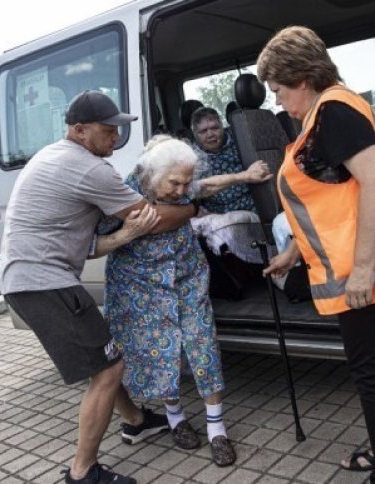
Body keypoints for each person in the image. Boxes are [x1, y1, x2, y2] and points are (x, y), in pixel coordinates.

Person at [0, 90, 202, 484]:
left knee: (105, 356)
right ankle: (82, 471)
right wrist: (193, 206)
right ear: (79, 130)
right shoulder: (88, 169)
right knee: (109, 368)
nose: (116, 138)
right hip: (45, 283)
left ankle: (137, 421)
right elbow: (154, 217)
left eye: (118, 129)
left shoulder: (52, 155)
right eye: (108, 131)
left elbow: (87, 244)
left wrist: (124, 236)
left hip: (33, 280)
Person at [258, 26, 375, 483]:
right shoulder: (328, 112)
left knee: (373, 374)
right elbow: (336, 194)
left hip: (366, 271)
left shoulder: (332, 111)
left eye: (277, 90)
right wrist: (294, 251)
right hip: (363, 262)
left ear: (301, 77)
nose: (277, 101)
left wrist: (360, 271)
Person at [97, 134, 271, 466]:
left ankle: (217, 428)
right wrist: (128, 234)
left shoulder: (182, 182)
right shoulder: (123, 193)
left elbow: (203, 187)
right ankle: (176, 419)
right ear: (150, 174)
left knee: (203, 344)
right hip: (140, 285)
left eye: (185, 182)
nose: (181, 190)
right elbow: (94, 236)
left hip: (187, 278)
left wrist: (244, 176)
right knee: (165, 351)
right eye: (175, 183)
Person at [191, 106, 256, 214]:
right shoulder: (191, 158)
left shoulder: (240, 141)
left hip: (254, 206)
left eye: (215, 128)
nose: (210, 134)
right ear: (195, 135)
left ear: (222, 126)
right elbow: (196, 191)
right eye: (203, 131)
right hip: (219, 216)